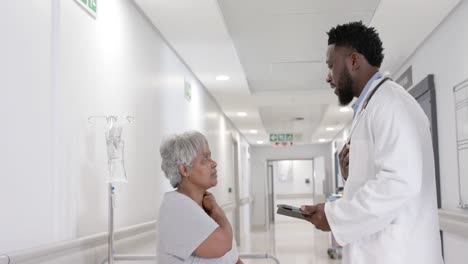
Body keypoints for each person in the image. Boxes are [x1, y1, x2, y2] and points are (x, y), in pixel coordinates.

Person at [300, 21, 443, 264]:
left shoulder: (391, 104)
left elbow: (399, 183)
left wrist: (334, 216)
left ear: (354, 61)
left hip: (399, 255)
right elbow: (386, 175)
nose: (328, 76)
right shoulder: (373, 105)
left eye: (331, 66)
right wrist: (353, 175)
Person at [157, 131, 243, 264]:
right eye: (205, 159)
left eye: (210, 156)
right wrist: (217, 211)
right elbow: (223, 244)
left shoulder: (202, 208)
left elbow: (233, 260)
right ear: (185, 170)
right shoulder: (177, 209)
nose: (214, 163)